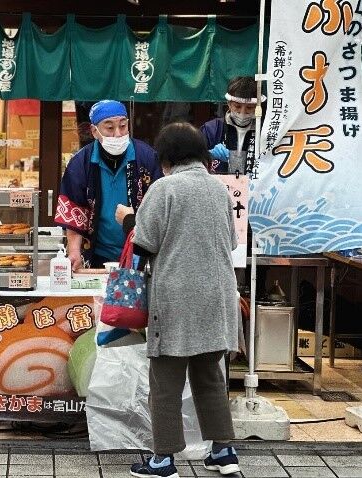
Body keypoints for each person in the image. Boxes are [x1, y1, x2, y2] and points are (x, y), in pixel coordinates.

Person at [129, 122, 240, 478]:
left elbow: (145, 244)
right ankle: (223, 451)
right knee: (211, 375)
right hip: (219, 294)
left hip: (176, 298)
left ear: (167, 158)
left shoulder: (165, 188)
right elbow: (231, 244)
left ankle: (162, 460)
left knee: (165, 381)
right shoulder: (220, 191)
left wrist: (127, 219)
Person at [54, 100, 162, 271]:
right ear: (94, 131)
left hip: (140, 252)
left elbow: (159, 208)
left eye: (123, 126)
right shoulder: (81, 163)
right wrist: (74, 251)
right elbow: (74, 211)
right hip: (97, 253)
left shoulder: (147, 158)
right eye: (109, 128)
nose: (118, 134)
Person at [200, 76, 264, 175]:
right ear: (229, 104)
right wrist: (208, 154)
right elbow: (192, 161)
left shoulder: (264, 131)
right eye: (237, 106)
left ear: (257, 107)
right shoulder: (211, 129)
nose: (242, 112)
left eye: (249, 107)